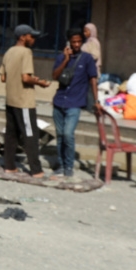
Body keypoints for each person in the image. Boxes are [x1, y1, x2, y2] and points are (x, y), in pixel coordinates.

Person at [0, 23, 49, 178]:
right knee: (30, 134)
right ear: (23, 37)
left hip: (11, 99)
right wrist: (40, 82)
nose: (33, 39)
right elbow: (25, 77)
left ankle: (9, 166)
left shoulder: (9, 52)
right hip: (23, 101)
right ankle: (36, 170)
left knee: (11, 134)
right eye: (31, 36)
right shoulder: (26, 52)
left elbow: (3, 77)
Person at [49, 29, 100, 178]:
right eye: (74, 42)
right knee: (59, 135)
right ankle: (61, 165)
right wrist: (65, 60)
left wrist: (96, 101)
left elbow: (93, 80)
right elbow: (54, 76)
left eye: (79, 41)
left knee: (67, 134)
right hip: (59, 101)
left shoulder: (87, 59)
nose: (76, 44)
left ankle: (69, 166)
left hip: (75, 103)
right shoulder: (61, 57)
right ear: (69, 42)